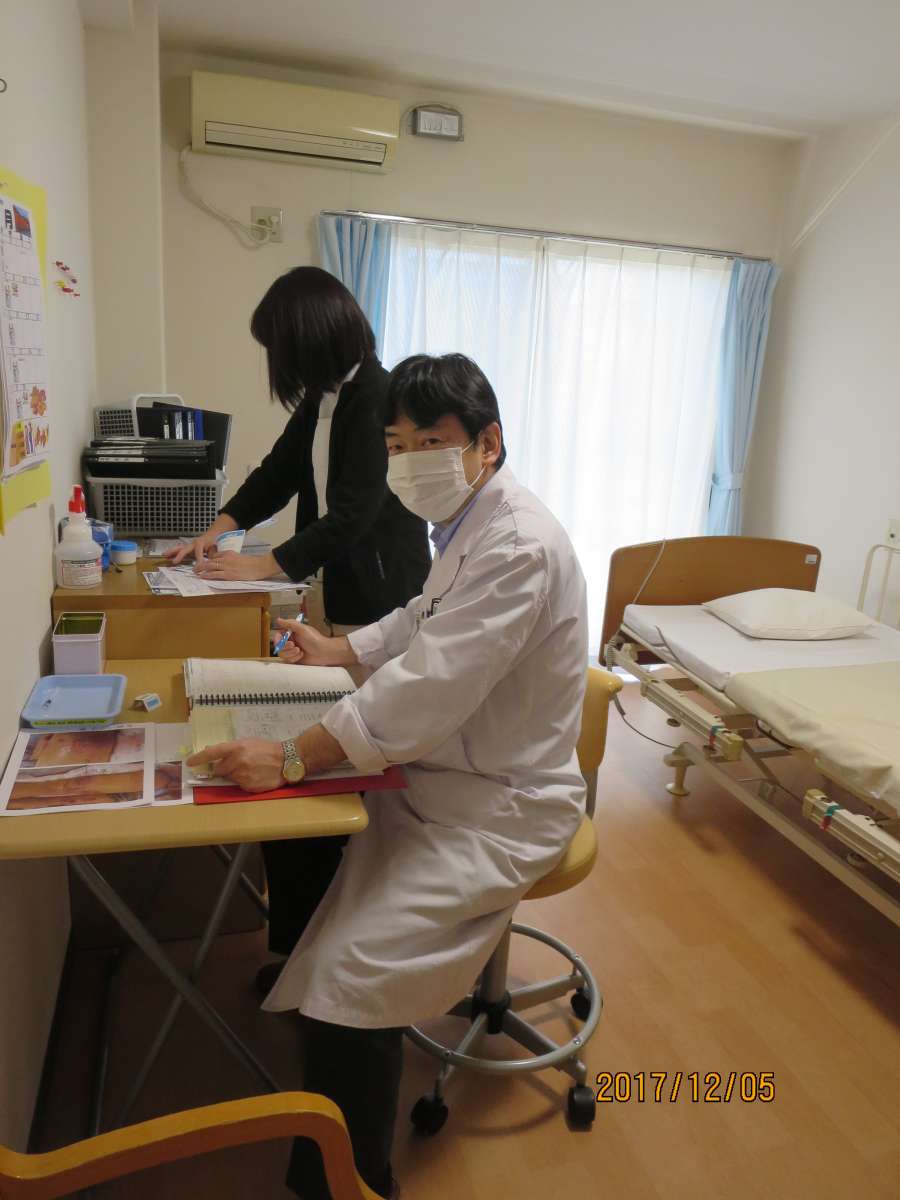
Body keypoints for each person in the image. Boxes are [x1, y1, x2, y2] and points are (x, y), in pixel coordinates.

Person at [188, 353, 589, 1200]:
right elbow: (423, 618)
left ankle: (351, 1183)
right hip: (445, 775)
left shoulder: (518, 544)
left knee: (353, 971)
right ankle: (313, 1002)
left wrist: (291, 755)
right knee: (319, 861)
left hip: (500, 806)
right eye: (397, 446)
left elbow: (430, 685)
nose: (409, 463)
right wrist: (343, 650)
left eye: (430, 442)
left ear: (487, 443)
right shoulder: (472, 524)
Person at [171, 267, 431, 987]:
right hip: (333, 597)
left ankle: (337, 946)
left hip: (378, 599)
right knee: (315, 766)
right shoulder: (323, 398)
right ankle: (302, 947)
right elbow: (280, 471)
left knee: (343, 771)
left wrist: (263, 565)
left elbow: (353, 514)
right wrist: (218, 529)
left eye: (279, 349)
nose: (276, 365)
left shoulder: (378, 397)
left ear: (310, 340)